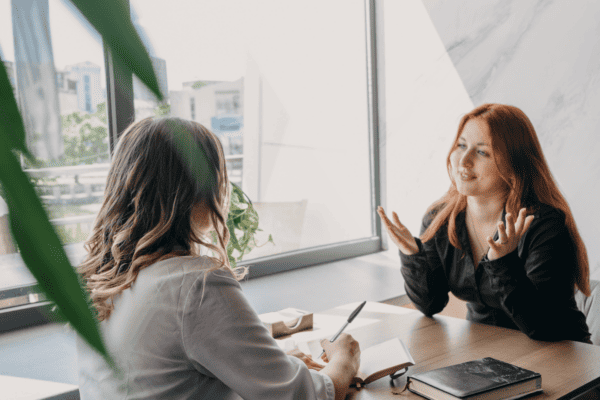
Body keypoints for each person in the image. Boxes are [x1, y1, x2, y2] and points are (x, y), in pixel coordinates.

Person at [76, 117, 360, 400]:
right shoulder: (195, 285)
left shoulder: (98, 282)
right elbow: (307, 397)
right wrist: (344, 358)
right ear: (194, 190)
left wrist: (275, 368)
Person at [378, 103, 591, 343]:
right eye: (461, 145)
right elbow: (431, 304)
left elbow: (543, 326)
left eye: (482, 152)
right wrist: (412, 255)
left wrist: (503, 263)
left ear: (513, 165)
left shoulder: (544, 225)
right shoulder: (439, 219)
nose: (464, 161)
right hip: (487, 354)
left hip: (563, 354)